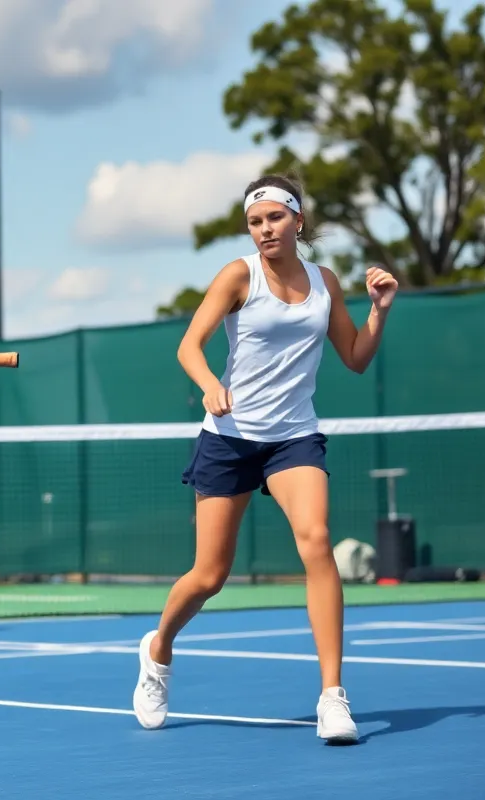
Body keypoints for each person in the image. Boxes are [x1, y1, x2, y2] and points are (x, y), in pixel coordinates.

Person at [132, 174, 398, 744]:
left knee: (317, 541)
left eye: (275, 218)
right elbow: (189, 345)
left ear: (298, 221)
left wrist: (378, 311)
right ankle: (158, 651)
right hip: (229, 438)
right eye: (255, 222)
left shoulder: (325, 281)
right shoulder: (237, 275)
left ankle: (332, 697)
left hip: (293, 438)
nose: (264, 229)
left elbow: (353, 357)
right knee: (210, 576)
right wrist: (208, 383)